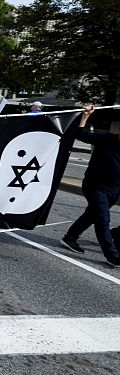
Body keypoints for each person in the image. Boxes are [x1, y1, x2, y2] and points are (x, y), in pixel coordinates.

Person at [61, 105, 120, 267]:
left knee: (92, 215)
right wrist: (85, 116)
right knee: (102, 219)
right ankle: (113, 255)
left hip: (115, 190)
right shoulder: (106, 138)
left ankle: (70, 238)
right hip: (96, 186)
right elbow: (80, 134)